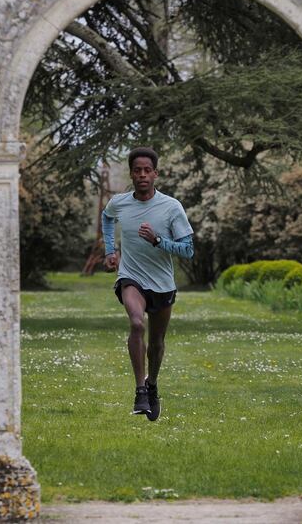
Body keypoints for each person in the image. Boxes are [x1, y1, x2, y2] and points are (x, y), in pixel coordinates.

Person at [101, 147, 194, 421]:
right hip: (131, 277)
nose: (142, 175)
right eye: (137, 170)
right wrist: (110, 250)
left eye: (147, 170)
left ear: (155, 174)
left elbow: (188, 250)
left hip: (163, 284)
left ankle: (152, 385)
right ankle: (140, 389)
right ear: (131, 174)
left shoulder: (171, 207)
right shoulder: (120, 203)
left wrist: (157, 241)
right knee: (136, 323)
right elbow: (107, 217)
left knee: (157, 343)